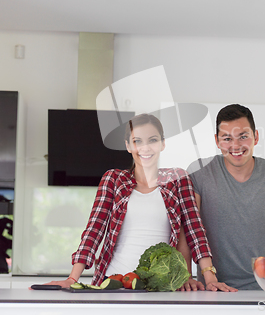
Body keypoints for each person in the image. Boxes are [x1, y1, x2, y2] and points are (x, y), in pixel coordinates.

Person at [45, 113, 236, 292]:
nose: (145, 148)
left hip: (160, 287)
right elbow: (94, 230)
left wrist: (210, 278)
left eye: (152, 140)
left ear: (162, 143)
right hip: (113, 283)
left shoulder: (177, 179)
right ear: (128, 146)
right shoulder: (113, 179)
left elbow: (195, 230)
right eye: (138, 141)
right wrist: (72, 278)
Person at [188, 104, 265, 290]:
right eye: (227, 138)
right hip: (212, 289)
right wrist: (187, 275)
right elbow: (189, 230)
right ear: (217, 141)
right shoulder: (200, 172)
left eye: (243, 136)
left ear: (255, 137)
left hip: (264, 286)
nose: (236, 145)